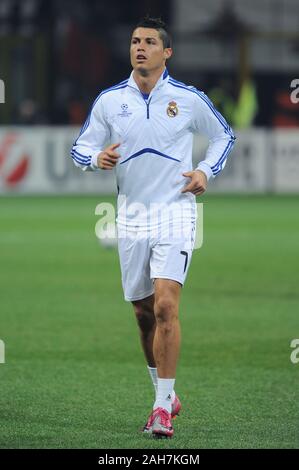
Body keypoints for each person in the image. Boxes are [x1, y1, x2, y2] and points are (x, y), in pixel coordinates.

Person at [71, 16, 235, 439]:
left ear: (167, 52)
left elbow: (223, 136)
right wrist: (95, 159)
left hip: (176, 212)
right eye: (134, 41)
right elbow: (80, 148)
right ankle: (164, 392)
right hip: (131, 217)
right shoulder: (110, 101)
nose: (139, 47)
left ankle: (161, 408)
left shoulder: (188, 98)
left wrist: (205, 171)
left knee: (165, 306)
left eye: (148, 42)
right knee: (143, 314)